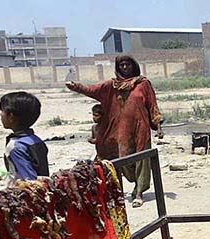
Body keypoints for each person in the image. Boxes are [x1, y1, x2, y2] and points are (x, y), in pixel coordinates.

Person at [66, 55, 163, 207]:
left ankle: (139, 192)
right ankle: (121, 191)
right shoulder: (112, 86)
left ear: (134, 66)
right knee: (121, 158)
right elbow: (93, 90)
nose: (125, 68)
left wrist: (158, 126)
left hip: (140, 128)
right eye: (122, 65)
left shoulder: (143, 84)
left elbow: (152, 105)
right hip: (120, 130)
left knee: (142, 158)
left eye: (128, 65)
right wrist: (76, 87)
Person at [0, 91, 49, 186]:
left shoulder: (16, 147)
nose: (0, 114)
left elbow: (29, 180)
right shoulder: (36, 140)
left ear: (11, 117)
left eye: (2, 111)